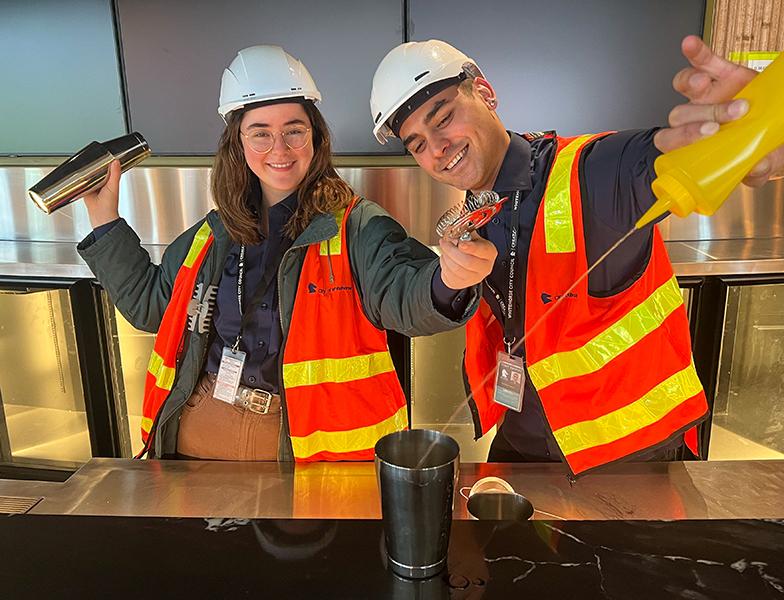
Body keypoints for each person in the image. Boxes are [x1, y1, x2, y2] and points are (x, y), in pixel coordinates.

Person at [369, 36, 784, 476]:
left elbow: (702, 155)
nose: (437, 147)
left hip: (630, 452)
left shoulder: (596, 170)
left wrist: (757, 135)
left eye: (443, 118)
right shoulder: (476, 210)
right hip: (524, 441)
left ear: (484, 92)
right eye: (417, 144)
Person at [78, 45, 496, 462]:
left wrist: (448, 282)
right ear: (238, 143)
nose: (279, 149)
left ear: (314, 135)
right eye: (260, 132)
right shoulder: (214, 233)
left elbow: (405, 294)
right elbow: (152, 307)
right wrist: (104, 219)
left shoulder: (355, 226)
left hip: (304, 451)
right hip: (197, 436)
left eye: (294, 130)